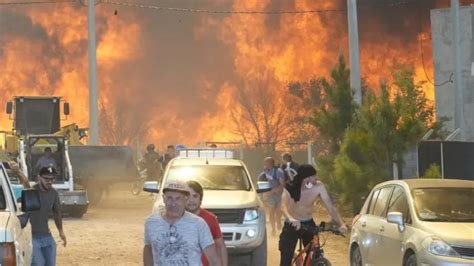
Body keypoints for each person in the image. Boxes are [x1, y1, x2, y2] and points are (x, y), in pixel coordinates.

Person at [279, 164, 347, 266]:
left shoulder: (319, 186)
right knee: (286, 258)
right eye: (314, 176)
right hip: (292, 224)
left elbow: (331, 207)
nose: (316, 178)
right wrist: (291, 218)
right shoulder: (290, 187)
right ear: (306, 178)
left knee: (315, 253)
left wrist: (341, 224)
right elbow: (283, 206)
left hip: (308, 222)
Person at [143, 181, 221, 266]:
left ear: (185, 199)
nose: (173, 203)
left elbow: (213, 259)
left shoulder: (198, 224)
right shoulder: (151, 222)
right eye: (169, 198)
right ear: (164, 198)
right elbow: (148, 249)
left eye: (178, 198)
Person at [17, 166, 66, 266]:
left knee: (50, 264)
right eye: (46, 178)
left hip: (47, 235)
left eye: (52, 179)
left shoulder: (53, 193)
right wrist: (18, 171)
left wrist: (61, 231)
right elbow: (26, 183)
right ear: (39, 178)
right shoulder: (32, 191)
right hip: (32, 237)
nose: (50, 181)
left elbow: (57, 213)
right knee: (39, 263)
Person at [186, 181, 228, 266]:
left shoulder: (210, 219)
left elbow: (220, 246)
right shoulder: (177, 218)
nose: (191, 200)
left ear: (200, 199)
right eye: (187, 196)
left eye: (195, 196)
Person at [257, 157, 286, 236]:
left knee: (278, 212)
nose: (265, 164)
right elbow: (260, 178)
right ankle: (273, 229)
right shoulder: (266, 171)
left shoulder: (278, 171)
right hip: (270, 195)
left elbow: (282, 184)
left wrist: (276, 190)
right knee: (271, 211)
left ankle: (279, 222)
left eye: (266, 163)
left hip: (279, 195)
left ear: (270, 163)